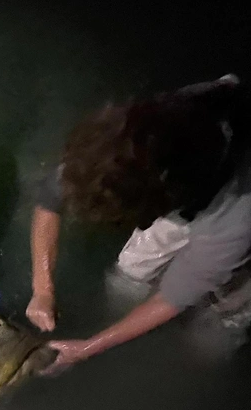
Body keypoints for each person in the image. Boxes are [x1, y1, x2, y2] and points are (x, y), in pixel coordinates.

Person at [26, 74, 251, 370]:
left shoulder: (236, 215)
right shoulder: (120, 142)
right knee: (126, 278)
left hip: (229, 202)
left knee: (210, 337)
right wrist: (43, 289)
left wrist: (87, 349)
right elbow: (49, 201)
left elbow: (172, 298)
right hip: (186, 176)